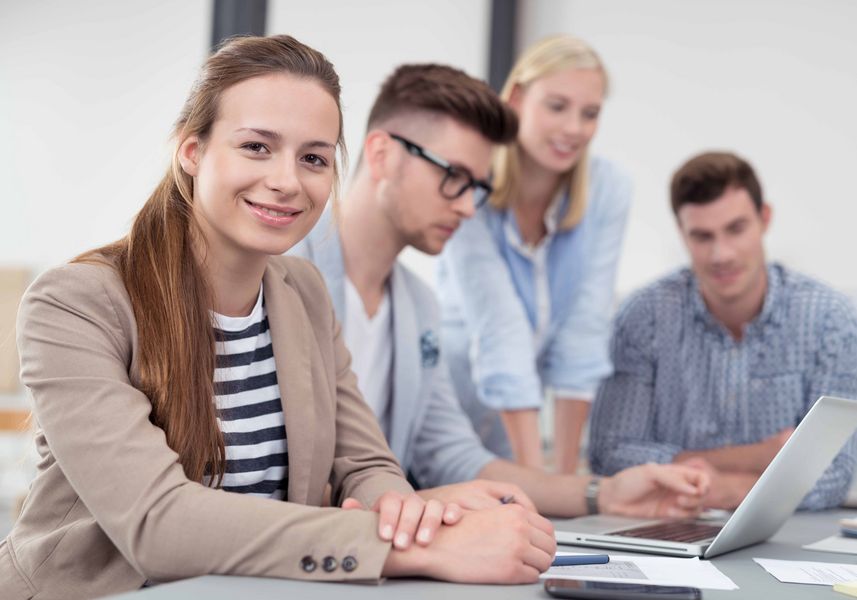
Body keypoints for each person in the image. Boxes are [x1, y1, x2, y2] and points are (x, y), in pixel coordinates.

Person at [0, 36, 558, 600]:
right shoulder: (75, 302)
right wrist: (417, 546)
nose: (289, 181)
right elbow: (157, 523)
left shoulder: (304, 292)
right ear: (192, 152)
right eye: (257, 147)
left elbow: (365, 463)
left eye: (313, 158)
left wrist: (403, 512)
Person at [292, 63, 708, 521]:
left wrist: (603, 493)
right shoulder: (281, 272)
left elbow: (456, 456)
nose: (468, 207)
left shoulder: (417, 309)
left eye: (477, 187)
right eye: (454, 176)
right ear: (381, 154)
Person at [588, 151, 857, 510]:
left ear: (764, 219)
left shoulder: (831, 321)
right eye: (702, 236)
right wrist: (763, 456)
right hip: (666, 524)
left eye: (736, 229)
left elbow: (834, 473)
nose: (721, 254)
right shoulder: (644, 317)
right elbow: (610, 454)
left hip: (786, 533)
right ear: (682, 235)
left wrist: (719, 489)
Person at [435, 35, 631, 473]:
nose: (574, 128)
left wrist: (561, 481)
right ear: (519, 98)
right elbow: (499, 329)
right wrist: (538, 488)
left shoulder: (608, 190)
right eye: (557, 106)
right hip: (445, 417)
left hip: (514, 430)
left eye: (590, 113)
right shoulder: (473, 184)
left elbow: (584, 329)